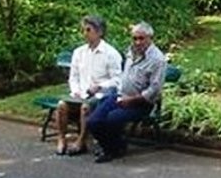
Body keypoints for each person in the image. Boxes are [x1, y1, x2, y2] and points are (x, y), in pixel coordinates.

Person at [86, 21, 168, 163]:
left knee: (112, 118)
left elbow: (154, 90)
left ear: (150, 38)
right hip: (120, 96)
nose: (137, 42)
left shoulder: (157, 60)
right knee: (93, 121)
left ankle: (111, 150)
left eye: (141, 38)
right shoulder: (130, 52)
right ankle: (115, 145)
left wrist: (131, 100)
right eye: (134, 38)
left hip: (141, 104)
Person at [57, 15, 122, 156]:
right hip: (80, 94)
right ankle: (62, 139)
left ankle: (81, 141)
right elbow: (73, 77)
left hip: (100, 96)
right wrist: (75, 91)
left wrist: (100, 86)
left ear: (99, 32)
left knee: (86, 107)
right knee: (62, 105)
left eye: (88, 30)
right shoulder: (79, 52)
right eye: (83, 30)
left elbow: (118, 80)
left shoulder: (111, 54)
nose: (85, 34)